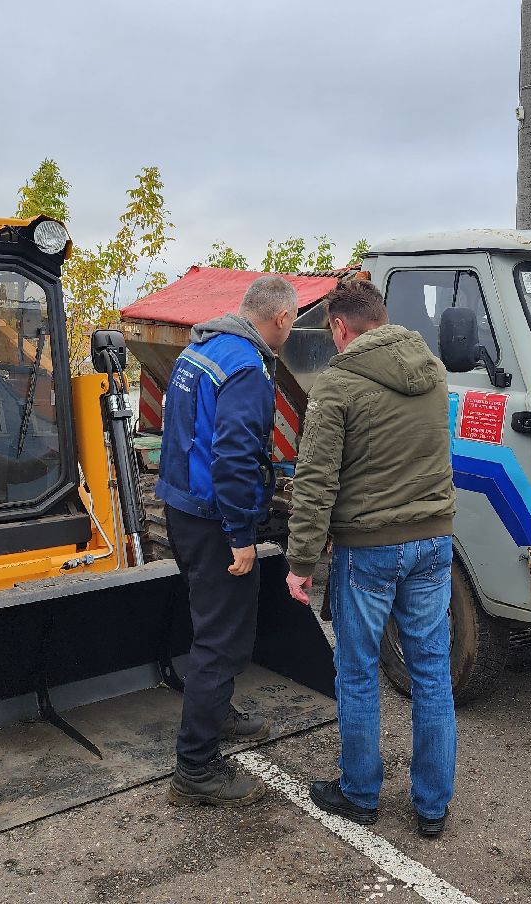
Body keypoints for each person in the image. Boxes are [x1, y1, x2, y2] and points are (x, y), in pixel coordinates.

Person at [284, 279, 457, 838]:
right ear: (381, 319)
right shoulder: (432, 372)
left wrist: (300, 561)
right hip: (433, 543)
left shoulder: (337, 384)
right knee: (431, 673)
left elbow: (315, 481)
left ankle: (360, 794)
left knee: (357, 673)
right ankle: (432, 806)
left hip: (369, 551)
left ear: (339, 327)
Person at [157, 274, 298, 808]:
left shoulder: (202, 350)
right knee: (220, 642)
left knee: (215, 621)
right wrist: (240, 535)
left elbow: (183, 436)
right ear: (281, 319)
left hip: (181, 508)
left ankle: (216, 716)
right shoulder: (246, 368)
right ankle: (196, 767)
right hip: (215, 520)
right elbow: (235, 457)